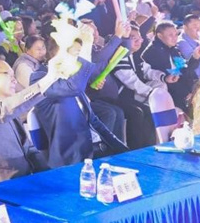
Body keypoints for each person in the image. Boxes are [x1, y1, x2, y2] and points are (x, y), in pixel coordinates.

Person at [0, 56, 69, 185]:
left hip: (24, 179)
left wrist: (49, 175)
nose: (14, 80)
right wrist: (47, 80)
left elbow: (28, 149)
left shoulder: (8, 107)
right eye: (8, 75)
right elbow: (2, 111)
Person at [29, 36, 127, 168]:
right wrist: (86, 51)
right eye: (76, 54)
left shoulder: (72, 78)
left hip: (97, 152)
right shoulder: (40, 78)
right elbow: (73, 88)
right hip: (71, 159)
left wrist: (123, 149)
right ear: (58, 54)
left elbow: (94, 121)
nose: (79, 59)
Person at [142, 21, 200, 113]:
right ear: (160, 36)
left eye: (176, 34)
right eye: (170, 35)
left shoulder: (172, 49)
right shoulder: (154, 52)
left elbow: (183, 69)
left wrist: (195, 57)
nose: (175, 38)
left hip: (181, 90)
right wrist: (187, 93)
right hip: (168, 93)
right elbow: (170, 78)